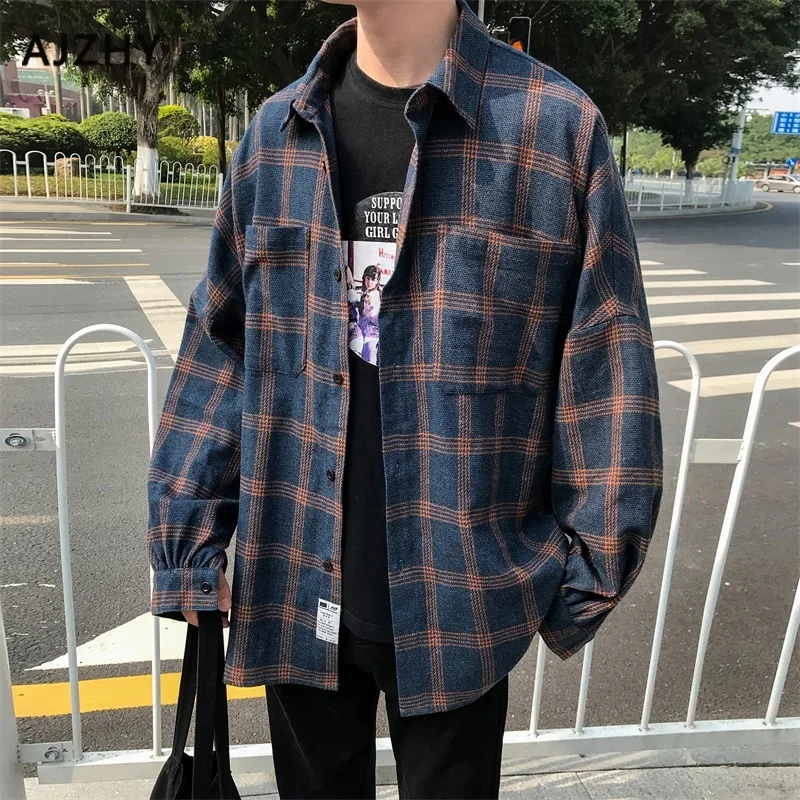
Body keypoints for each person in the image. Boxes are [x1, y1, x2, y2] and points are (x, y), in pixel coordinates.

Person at [146, 1, 663, 798]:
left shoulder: (551, 128)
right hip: (295, 573)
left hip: (465, 592)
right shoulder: (277, 135)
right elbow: (220, 342)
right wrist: (190, 540)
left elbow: (607, 359)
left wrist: (586, 571)